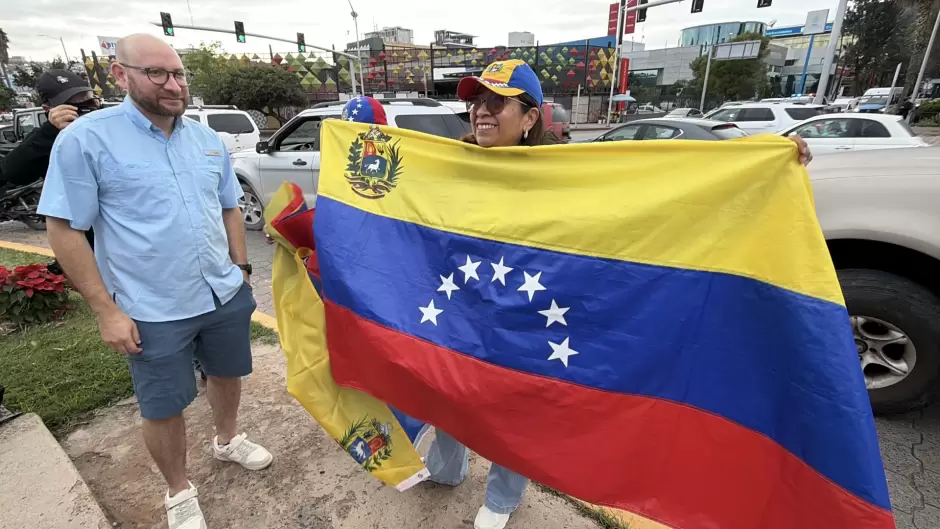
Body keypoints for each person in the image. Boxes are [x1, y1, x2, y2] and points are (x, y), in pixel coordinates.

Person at [429, 59, 813, 529]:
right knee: (451, 385)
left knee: (515, 408)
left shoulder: (567, 172)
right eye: (474, 101)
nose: (480, 112)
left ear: (531, 118)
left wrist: (762, 158)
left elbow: (661, 186)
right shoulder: (450, 166)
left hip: (531, 317)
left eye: (494, 101)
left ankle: (502, 499)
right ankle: (447, 467)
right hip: (464, 309)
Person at [38, 34, 271, 529]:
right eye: (157, 73)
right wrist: (106, 310)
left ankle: (227, 440)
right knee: (163, 404)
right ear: (120, 75)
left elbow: (229, 206)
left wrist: (241, 268)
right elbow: (63, 228)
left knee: (229, 374)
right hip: (152, 307)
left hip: (222, 292)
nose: (173, 85)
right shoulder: (85, 139)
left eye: (179, 73)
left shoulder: (208, 140)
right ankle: (179, 489)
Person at [1, 70, 99, 256]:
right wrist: (52, 131)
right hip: (88, 239)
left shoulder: (110, 123)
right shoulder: (49, 137)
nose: (83, 108)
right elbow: (12, 171)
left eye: (87, 101)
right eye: (72, 105)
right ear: (48, 109)